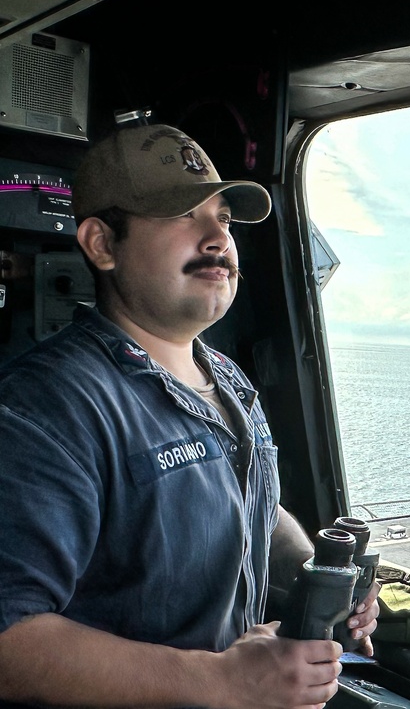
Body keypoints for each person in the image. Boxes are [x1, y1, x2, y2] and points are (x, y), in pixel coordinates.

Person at [0, 124, 378, 708]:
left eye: (223, 217)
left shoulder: (227, 380)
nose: (216, 238)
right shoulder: (49, 407)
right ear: (102, 244)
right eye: (181, 215)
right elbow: (9, 641)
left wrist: (319, 578)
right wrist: (222, 681)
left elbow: (246, 497)